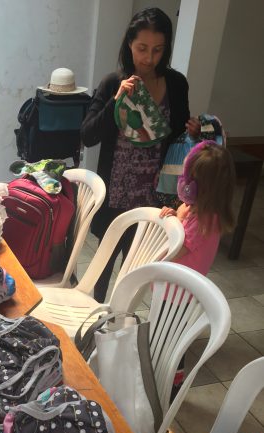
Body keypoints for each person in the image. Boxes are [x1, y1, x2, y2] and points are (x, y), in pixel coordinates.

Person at [81, 7, 200, 302]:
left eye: (158, 50)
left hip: (156, 197)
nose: (149, 58)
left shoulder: (175, 84)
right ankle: (94, 321)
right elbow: (88, 135)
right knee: (104, 268)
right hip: (116, 196)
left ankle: (121, 322)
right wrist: (115, 101)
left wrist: (194, 133)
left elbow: (176, 135)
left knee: (138, 269)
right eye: (142, 48)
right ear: (129, 45)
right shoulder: (113, 83)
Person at [160, 140, 236, 275]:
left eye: (188, 178)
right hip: (172, 284)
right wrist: (173, 217)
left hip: (177, 290)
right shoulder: (192, 208)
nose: (183, 182)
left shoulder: (204, 221)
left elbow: (171, 253)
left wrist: (177, 220)